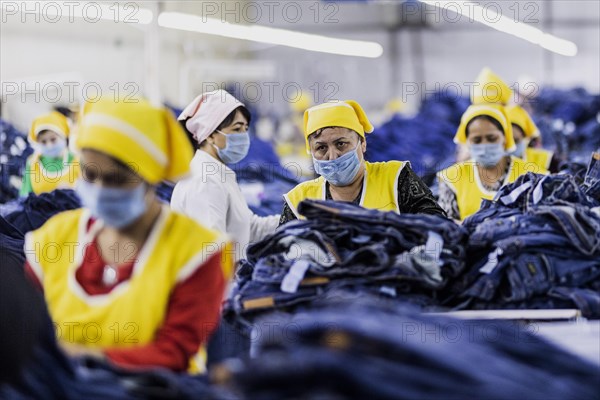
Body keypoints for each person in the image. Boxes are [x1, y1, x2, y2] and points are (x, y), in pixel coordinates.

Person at [23, 99, 233, 373]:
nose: (99, 189)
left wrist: (80, 358)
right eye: (89, 174)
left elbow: (173, 352)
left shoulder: (197, 251)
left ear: (151, 177)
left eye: (116, 179)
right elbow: (26, 334)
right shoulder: (53, 238)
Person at [279, 100, 446, 224]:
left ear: (363, 143)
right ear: (312, 152)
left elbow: (437, 225)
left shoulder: (396, 178)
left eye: (341, 144)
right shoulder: (298, 200)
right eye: (321, 148)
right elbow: (279, 259)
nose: (333, 156)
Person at [171, 90, 279, 261]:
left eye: (245, 129)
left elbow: (249, 228)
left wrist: (294, 215)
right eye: (237, 129)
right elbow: (211, 251)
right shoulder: (204, 180)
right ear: (211, 134)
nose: (244, 137)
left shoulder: (219, 173)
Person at [20, 111, 79, 196]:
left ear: (63, 136)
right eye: (43, 142)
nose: (49, 146)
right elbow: (24, 197)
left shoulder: (76, 160)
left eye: (53, 139)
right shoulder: (32, 163)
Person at [507, 104, 559, 172]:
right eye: (507, 141)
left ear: (526, 138)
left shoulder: (547, 160)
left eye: (515, 140)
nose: (512, 146)